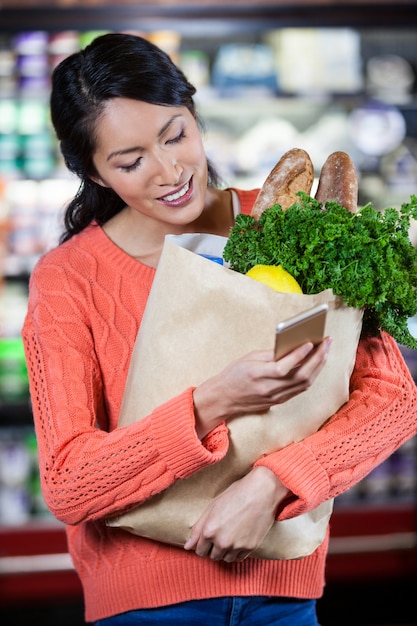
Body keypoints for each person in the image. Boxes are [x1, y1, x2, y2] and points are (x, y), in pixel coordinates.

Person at [22, 33, 417, 626]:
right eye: (130, 162)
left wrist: (273, 485)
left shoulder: (288, 221)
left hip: (283, 595)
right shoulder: (69, 278)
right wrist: (211, 404)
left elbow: (393, 401)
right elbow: (69, 483)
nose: (170, 171)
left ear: (194, 113)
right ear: (96, 174)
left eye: (176, 134)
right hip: (144, 607)